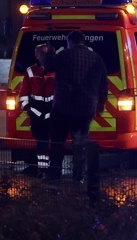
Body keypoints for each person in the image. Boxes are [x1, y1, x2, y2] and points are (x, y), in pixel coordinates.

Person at [44, 31, 108, 182]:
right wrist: (100, 103)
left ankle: (54, 174)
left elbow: (48, 67)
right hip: (85, 110)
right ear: (83, 42)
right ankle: (79, 175)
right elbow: (104, 84)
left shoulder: (64, 55)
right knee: (80, 144)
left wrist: (50, 53)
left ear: (70, 42)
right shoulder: (96, 59)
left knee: (58, 142)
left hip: (63, 108)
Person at [17, 43, 55, 177]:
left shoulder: (56, 70)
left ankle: (54, 170)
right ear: (36, 55)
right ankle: (42, 170)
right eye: (41, 53)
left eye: (46, 53)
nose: (43, 56)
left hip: (53, 112)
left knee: (56, 142)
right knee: (41, 143)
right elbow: (23, 94)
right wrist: (28, 109)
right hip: (37, 113)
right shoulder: (31, 71)